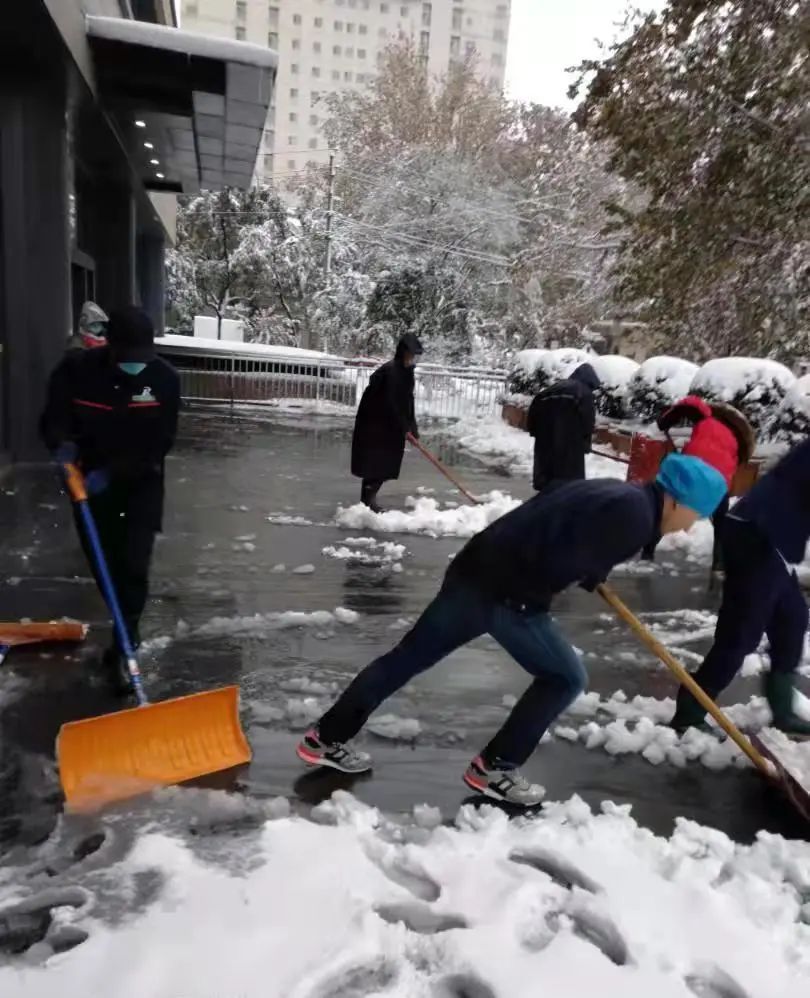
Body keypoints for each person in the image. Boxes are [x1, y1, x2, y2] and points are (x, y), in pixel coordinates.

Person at [297, 453, 728, 805]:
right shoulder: (634, 517)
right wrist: (580, 571)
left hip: (473, 571)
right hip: (507, 595)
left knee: (405, 659)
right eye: (695, 514)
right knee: (565, 677)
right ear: (675, 499)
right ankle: (496, 768)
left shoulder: (620, 493)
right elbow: (565, 557)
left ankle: (326, 737)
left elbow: (555, 508)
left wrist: (590, 565)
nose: (690, 526)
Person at [41, 306, 180, 694]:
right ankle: (123, 638)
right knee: (106, 571)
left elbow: (160, 442)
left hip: (140, 486)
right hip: (87, 488)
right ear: (110, 347)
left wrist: (115, 473)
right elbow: (53, 418)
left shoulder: (164, 379)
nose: (137, 366)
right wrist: (62, 445)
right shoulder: (76, 372)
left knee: (133, 568)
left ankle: (123, 648)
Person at [671, 438, 810, 737]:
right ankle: (690, 711)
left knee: (792, 620)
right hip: (758, 533)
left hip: (775, 539)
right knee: (741, 632)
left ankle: (783, 710)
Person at [351, 333, 423, 513]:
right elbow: (390, 402)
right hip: (375, 425)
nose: (412, 358)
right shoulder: (390, 372)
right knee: (375, 464)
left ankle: (368, 500)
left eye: (414, 355)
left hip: (391, 428)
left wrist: (412, 428)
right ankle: (367, 502)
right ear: (402, 352)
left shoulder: (407, 373)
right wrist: (404, 427)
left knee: (385, 465)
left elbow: (408, 402)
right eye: (410, 354)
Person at [527, 363, 601, 492]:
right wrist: (585, 443)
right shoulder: (584, 392)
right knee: (567, 480)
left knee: (546, 475)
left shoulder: (552, 389)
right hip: (570, 441)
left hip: (544, 440)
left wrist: (534, 431)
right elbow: (587, 421)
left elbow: (534, 409)